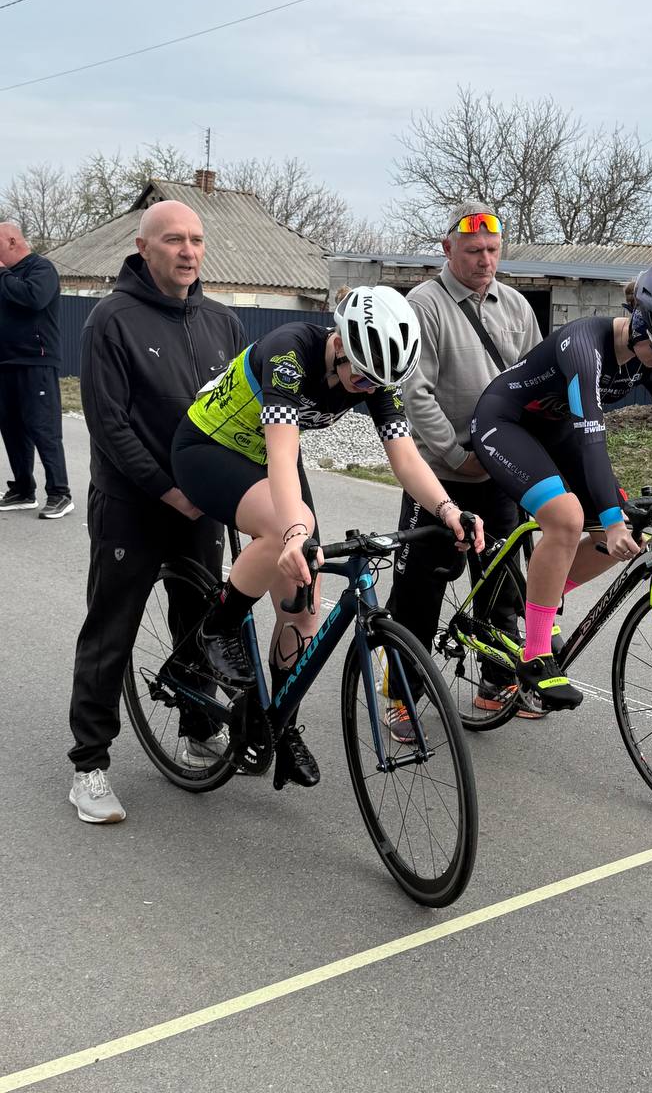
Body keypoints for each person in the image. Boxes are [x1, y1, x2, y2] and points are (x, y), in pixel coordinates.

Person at [170, 284, 486, 759]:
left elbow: (405, 457)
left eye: (376, 385)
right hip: (209, 448)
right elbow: (281, 451)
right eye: (361, 381)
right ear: (339, 341)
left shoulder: (373, 373)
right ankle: (218, 626)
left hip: (266, 460)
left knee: (303, 608)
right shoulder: (289, 352)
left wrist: (448, 509)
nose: (367, 390)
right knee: (285, 529)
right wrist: (294, 532)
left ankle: (277, 724)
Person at [472, 261, 652, 712]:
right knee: (567, 519)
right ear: (640, 319)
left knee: (629, 531)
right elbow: (592, 437)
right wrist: (610, 517)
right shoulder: (585, 344)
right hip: (505, 422)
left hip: (556, 429)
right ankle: (535, 654)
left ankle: (541, 593)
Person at [68, 200, 245, 824]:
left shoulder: (224, 322)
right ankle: (89, 763)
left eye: (196, 239)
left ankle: (200, 727)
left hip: (203, 509)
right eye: (174, 240)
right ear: (143, 248)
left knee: (201, 623)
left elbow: (242, 418)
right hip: (132, 507)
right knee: (111, 628)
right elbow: (108, 426)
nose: (188, 251)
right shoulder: (108, 321)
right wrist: (166, 488)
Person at [386, 200, 544, 717]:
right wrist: (457, 454)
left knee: (501, 581)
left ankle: (497, 682)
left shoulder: (517, 307)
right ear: (448, 248)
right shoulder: (424, 304)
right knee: (420, 589)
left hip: (500, 474)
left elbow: (535, 384)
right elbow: (415, 393)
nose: (484, 260)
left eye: (493, 250)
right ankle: (402, 694)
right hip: (438, 476)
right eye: (473, 249)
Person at [0, 223, 73, 519]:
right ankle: (22, 489)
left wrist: (2, 273)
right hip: (6, 363)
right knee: (13, 429)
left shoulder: (41, 269)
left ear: (12, 241)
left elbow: (33, 299)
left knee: (43, 428)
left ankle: (60, 493)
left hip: (36, 362)